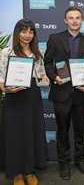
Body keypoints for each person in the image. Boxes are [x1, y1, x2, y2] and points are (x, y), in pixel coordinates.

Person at [44, 6, 84, 180]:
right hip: (61, 92)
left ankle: (79, 160)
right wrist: (53, 76)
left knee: (80, 130)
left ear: (82, 20)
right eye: (70, 18)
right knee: (62, 131)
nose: (74, 21)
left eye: (77, 18)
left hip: (81, 94)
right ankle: (63, 163)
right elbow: (47, 62)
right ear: (65, 20)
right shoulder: (55, 38)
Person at [0, 19, 48, 185]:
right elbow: (1, 80)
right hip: (13, 97)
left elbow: (42, 77)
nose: (27, 35)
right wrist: (7, 89)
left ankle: (29, 171)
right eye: (24, 31)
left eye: (31, 32)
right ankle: (16, 173)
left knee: (31, 133)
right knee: (14, 135)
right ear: (17, 32)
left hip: (32, 98)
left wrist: (46, 78)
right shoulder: (6, 52)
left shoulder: (37, 53)